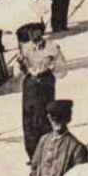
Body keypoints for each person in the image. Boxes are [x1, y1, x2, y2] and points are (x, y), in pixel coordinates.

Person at [17, 24, 68, 160]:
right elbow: (21, 71)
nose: (33, 34)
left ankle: (46, 152)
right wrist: (22, 64)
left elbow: (62, 71)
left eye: (35, 30)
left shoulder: (52, 47)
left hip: (45, 85)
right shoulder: (25, 48)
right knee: (29, 119)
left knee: (44, 118)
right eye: (30, 31)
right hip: (30, 86)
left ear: (41, 31)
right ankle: (32, 154)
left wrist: (51, 65)